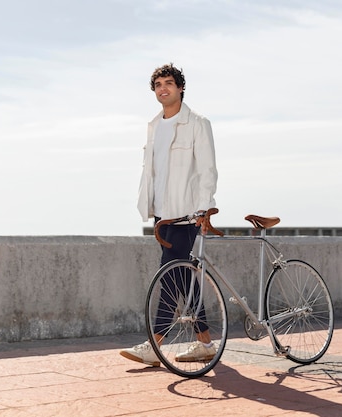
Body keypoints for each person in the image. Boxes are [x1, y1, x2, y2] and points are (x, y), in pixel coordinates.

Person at [119, 63, 218, 366]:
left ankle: (155, 344)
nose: (163, 89)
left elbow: (207, 169)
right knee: (180, 277)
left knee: (169, 275)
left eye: (169, 83)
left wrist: (204, 208)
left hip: (186, 213)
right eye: (158, 85)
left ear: (180, 88)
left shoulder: (197, 123)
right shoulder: (154, 126)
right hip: (161, 214)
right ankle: (205, 343)